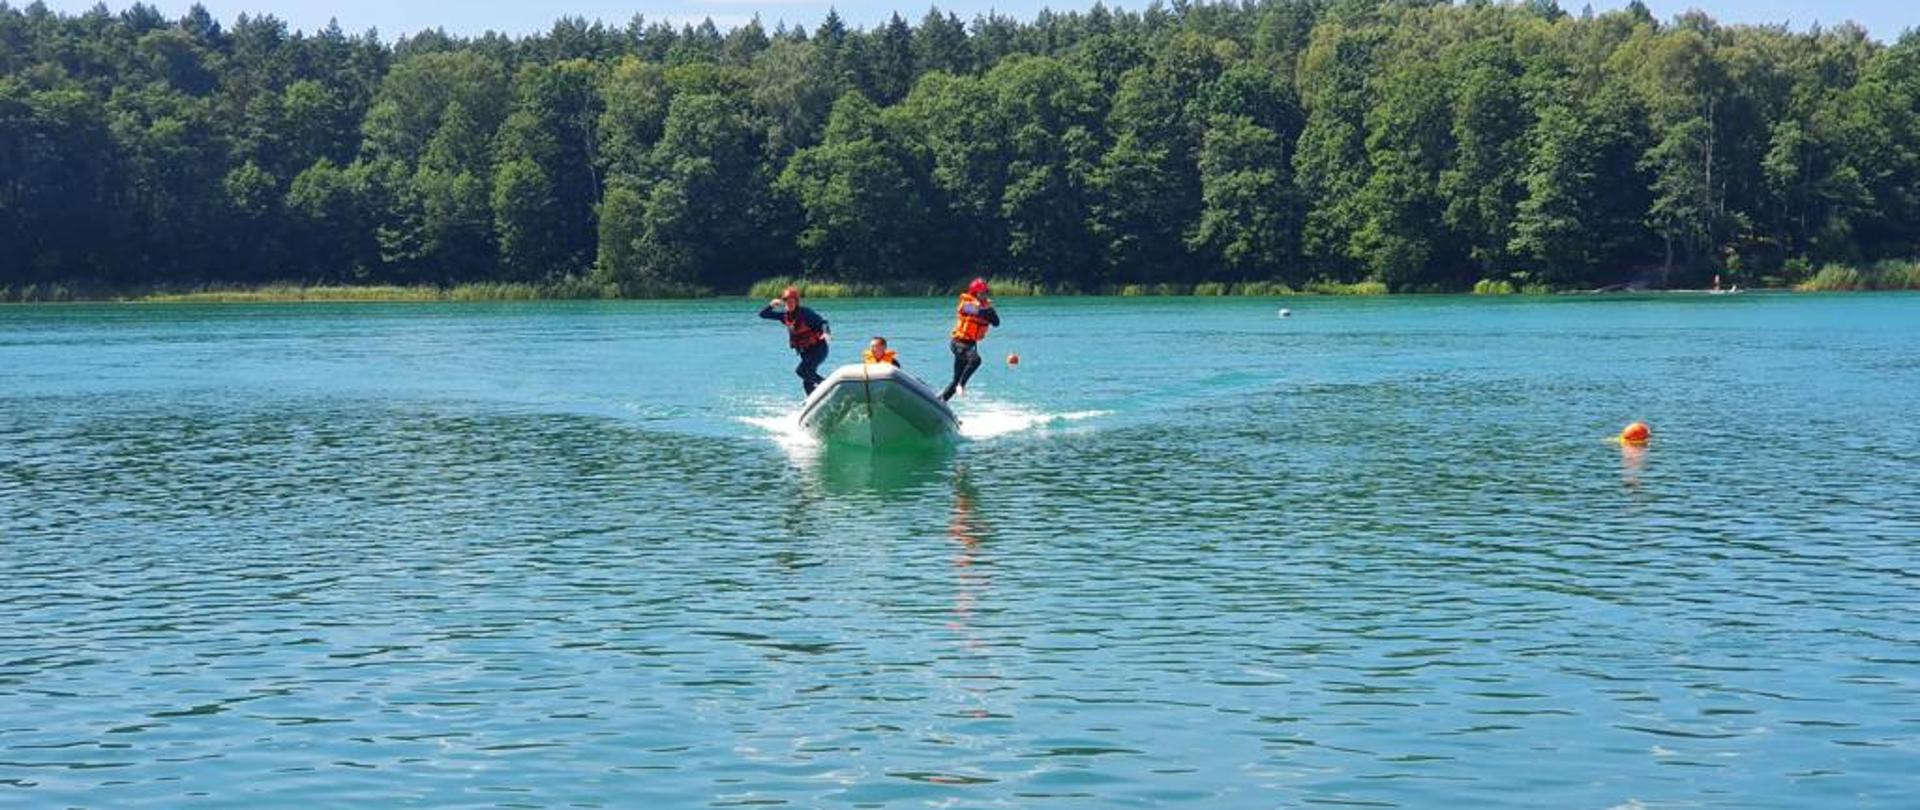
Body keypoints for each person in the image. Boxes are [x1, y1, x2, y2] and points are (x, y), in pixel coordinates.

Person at [759, 286, 830, 395]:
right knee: (807, 381)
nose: (789, 304)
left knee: (801, 371)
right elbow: (763, 315)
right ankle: (814, 401)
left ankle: (828, 386)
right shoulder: (784, 316)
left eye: (792, 301)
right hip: (805, 352)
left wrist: (826, 333)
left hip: (818, 349)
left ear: (796, 302)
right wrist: (771, 305)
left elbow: (823, 323)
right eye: (787, 301)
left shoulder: (806, 313)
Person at [940, 278, 1000, 401]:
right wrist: (985, 312)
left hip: (970, 345)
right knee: (975, 360)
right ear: (974, 293)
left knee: (955, 381)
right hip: (958, 343)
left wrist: (992, 314)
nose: (984, 295)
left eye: (985, 293)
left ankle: (941, 401)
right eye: (981, 293)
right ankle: (962, 385)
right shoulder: (965, 304)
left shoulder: (987, 307)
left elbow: (996, 323)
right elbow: (972, 310)